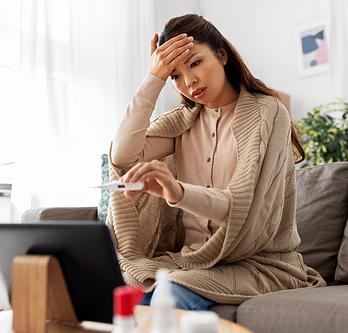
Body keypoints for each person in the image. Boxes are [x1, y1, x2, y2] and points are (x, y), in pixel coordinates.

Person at [107, 14, 325, 311]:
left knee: (167, 296)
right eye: (175, 75)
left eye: (195, 63)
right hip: (193, 260)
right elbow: (122, 157)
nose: (189, 81)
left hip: (258, 264)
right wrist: (153, 79)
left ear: (222, 55)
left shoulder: (267, 113)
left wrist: (177, 191)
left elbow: (243, 210)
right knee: (120, 293)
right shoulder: (181, 123)